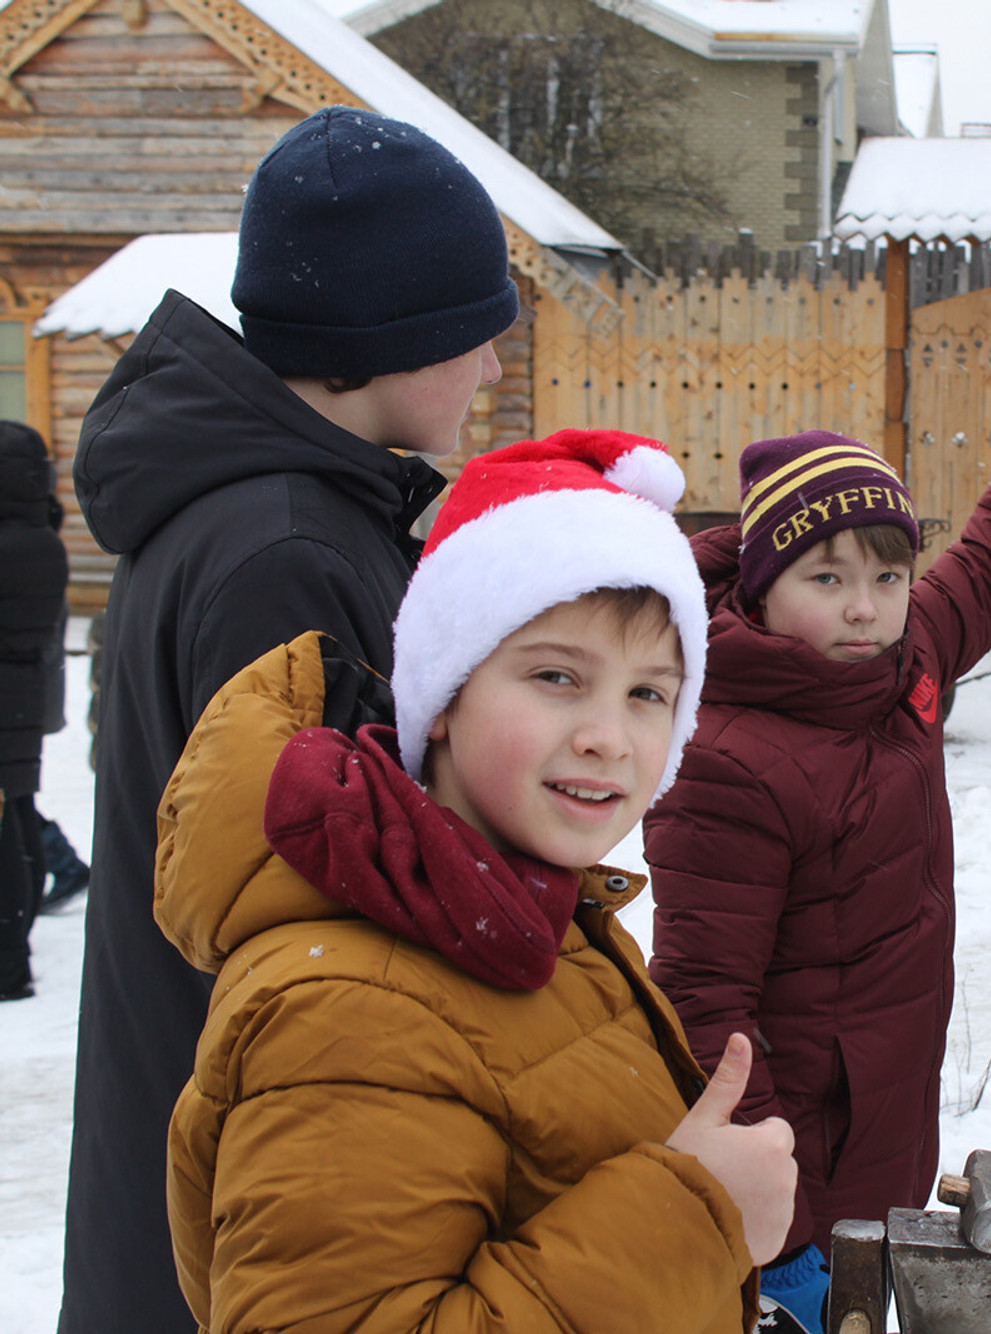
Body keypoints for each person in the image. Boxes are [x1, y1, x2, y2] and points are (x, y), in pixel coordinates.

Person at [644, 254, 991, 1331]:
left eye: (886, 575)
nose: (864, 606)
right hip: (790, 1195)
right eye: (827, 577)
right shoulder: (725, 757)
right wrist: (772, 1218)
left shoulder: (905, 663)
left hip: (877, 1143)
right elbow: (699, 1007)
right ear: (761, 587)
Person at [158, 427, 795, 1330]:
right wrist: (692, 1213)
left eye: (649, 693)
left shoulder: (527, 916)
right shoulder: (351, 1011)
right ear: (446, 696)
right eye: (556, 677)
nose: (609, 736)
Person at [63, 106, 515, 1331]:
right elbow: (310, 921)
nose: (491, 368)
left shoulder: (275, 513)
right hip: (253, 1208)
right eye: (474, 333)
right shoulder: (286, 554)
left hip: (211, 1174)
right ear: (387, 335)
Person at [0, 420, 68, 1000]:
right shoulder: (39, 532)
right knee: (18, 814)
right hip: (21, 701)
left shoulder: (13, 542)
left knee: (10, 827)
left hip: (8, 700)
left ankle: (8, 959)